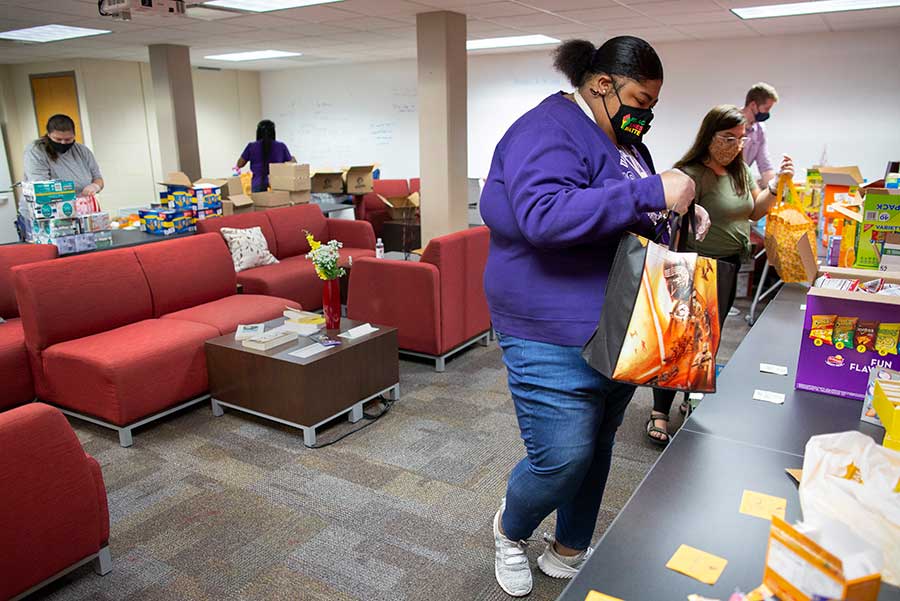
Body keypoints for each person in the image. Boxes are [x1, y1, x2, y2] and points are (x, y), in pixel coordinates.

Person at [480, 36, 710, 597]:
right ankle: (510, 531)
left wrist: (675, 212)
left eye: (653, 104)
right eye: (639, 98)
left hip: (619, 322)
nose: (646, 114)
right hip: (548, 326)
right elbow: (545, 216)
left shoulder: (621, 139)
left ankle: (569, 545)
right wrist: (653, 191)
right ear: (601, 84)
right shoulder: (547, 129)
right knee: (562, 455)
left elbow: (620, 208)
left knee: (599, 443)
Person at [647, 104, 794, 445]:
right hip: (695, 266)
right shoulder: (692, 172)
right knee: (681, 340)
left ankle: (690, 396)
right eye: (728, 137)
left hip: (728, 265)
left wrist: (778, 185)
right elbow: (669, 211)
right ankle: (659, 411)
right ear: (709, 136)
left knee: (710, 338)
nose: (736, 145)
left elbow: (753, 209)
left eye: (741, 139)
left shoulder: (740, 171)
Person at [24, 114, 103, 196]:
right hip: (48, 205)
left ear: (74, 135)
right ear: (49, 135)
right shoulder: (36, 151)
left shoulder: (83, 151)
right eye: (58, 139)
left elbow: (98, 178)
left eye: (68, 139)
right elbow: (41, 188)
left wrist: (95, 186)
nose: (63, 142)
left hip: (81, 205)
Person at [236, 119, 295, 193]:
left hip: (257, 184)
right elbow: (291, 164)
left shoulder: (251, 146)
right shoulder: (281, 146)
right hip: (277, 184)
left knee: (259, 204)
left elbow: (240, 164)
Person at [741, 82, 779, 189]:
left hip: (742, 181)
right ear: (753, 105)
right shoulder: (732, 124)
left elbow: (765, 165)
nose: (767, 113)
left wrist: (774, 188)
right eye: (766, 109)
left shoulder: (759, 130)